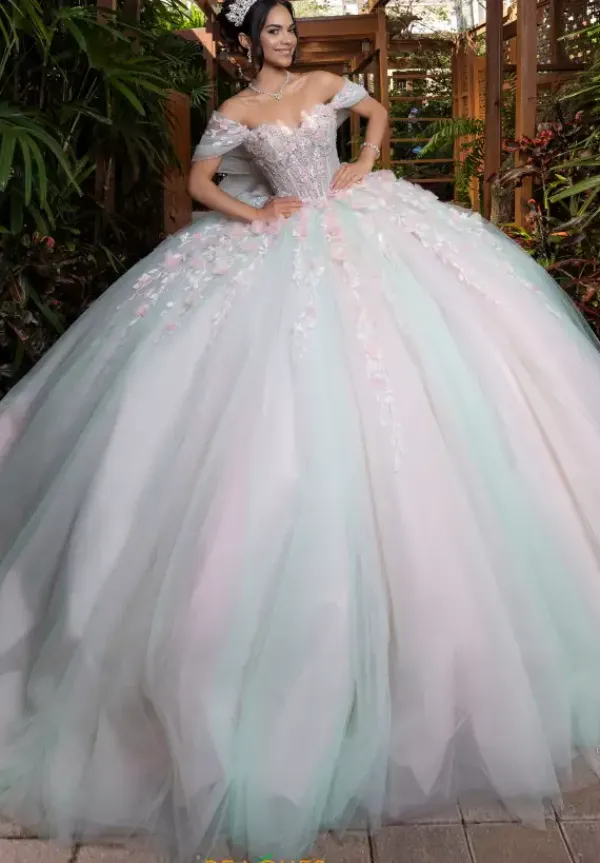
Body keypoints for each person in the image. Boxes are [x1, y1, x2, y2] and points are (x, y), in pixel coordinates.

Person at [1, 0, 600, 859]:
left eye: (289, 27)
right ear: (248, 41)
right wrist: (257, 217)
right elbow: (202, 183)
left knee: (424, 373)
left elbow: (376, 113)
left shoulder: (325, 82)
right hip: (280, 238)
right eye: (272, 30)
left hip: (358, 224)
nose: (285, 39)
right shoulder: (235, 110)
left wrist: (364, 160)